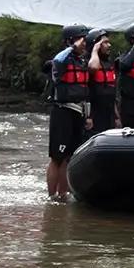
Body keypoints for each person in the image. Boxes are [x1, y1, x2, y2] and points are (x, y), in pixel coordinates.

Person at [47, 24, 91, 201]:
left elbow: (85, 91)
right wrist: (73, 47)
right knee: (57, 157)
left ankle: (63, 195)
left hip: (77, 112)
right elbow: (58, 59)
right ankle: (51, 197)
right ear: (70, 41)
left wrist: (88, 116)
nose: (83, 43)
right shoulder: (61, 61)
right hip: (62, 112)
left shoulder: (82, 62)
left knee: (67, 158)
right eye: (80, 39)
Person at [85, 28, 119, 136]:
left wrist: (117, 117)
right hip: (94, 116)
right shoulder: (88, 62)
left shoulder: (110, 64)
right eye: (105, 43)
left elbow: (112, 94)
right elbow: (93, 67)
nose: (109, 45)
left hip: (109, 115)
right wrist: (94, 50)